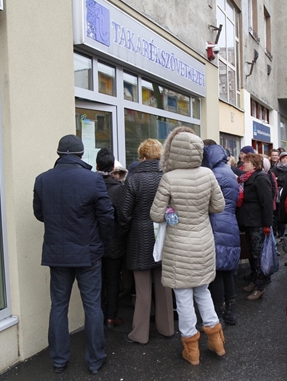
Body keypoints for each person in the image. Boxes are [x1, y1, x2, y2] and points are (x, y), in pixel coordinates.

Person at [33, 134, 113, 375]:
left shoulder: (42, 180)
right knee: (92, 307)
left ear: (59, 154)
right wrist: (102, 243)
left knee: (58, 306)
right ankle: (95, 360)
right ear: (81, 154)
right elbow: (107, 216)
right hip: (88, 253)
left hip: (57, 253)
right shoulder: (92, 180)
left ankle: (58, 361)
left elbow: (40, 214)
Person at [150, 127, 226, 366]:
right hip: (203, 242)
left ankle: (192, 350)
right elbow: (219, 207)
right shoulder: (208, 174)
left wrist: (171, 211)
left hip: (178, 247)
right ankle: (217, 342)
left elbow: (155, 214)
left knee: (183, 297)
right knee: (203, 292)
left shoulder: (169, 178)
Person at [117, 139, 175, 345]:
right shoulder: (168, 177)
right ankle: (167, 327)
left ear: (142, 156)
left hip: (139, 236)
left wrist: (127, 231)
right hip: (164, 234)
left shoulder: (133, 180)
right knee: (164, 284)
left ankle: (139, 333)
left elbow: (123, 213)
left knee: (142, 288)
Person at [202, 140, 241, 327]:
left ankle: (217, 314)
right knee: (227, 271)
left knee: (217, 271)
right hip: (230, 223)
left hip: (215, 224)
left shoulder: (213, 175)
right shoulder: (229, 172)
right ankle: (231, 312)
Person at [95, 149, 126, 329]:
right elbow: (123, 217)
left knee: (97, 281)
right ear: (113, 167)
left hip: (95, 241)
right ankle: (111, 317)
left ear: (97, 166)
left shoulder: (91, 185)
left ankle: (98, 316)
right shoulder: (118, 189)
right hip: (114, 242)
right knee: (113, 280)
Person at [237, 153, 274, 300]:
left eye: (246, 162)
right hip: (249, 222)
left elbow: (267, 203)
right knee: (252, 253)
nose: (243, 164)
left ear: (254, 164)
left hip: (257, 223)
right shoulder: (247, 178)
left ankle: (260, 286)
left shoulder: (261, 178)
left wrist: (267, 225)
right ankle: (254, 280)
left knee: (258, 256)